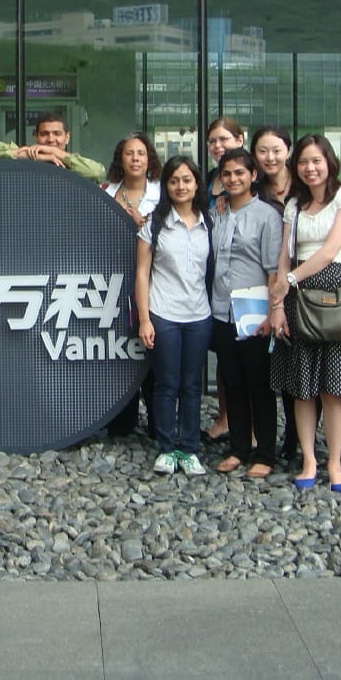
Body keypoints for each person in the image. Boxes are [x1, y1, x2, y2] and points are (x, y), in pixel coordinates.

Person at [269, 134, 341, 492]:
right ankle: (309, 460)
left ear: (329, 162)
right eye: (304, 162)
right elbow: (284, 256)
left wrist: (290, 280)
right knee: (303, 387)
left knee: (332, 389)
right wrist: (278, 304)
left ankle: (335, 463)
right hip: (297, 298)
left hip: (335, 295)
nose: (310, 168)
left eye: (317, 161)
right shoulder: (294, 205)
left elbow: (330, 251)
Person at [135, 155, 213, 477]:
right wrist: (144, 319)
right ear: (166, 185)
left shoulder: (210, 221)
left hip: (198, 314)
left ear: (196, 184)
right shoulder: (154, 223)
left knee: (192, 386)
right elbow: (141, 273)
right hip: (163, 312)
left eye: (187, 180)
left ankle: (190, 448)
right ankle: (167, 448)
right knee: (166, 385)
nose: (181, 186)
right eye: (174, 180)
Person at [209, 148, 282, 478]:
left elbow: (272, 270)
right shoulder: (218, 212)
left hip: (254, 312)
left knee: (259, 384)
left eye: (240, 172)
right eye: (227, 174)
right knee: (233, 380)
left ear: (254, 175)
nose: (233, 179)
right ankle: (238, 448)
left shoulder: (267, 216)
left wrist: (272, 311)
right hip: (221, 309)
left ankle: (265, 452)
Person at [251, 124, 308, 461]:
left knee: (305, 359)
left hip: (307, 282)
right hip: (270, 282)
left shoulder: (306, 185)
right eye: (263, 151)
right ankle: (285, 438)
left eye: (276, 150)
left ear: (288, 150)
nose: (270, 157)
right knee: (281, 360)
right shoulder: (252, 192)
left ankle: (305, 439)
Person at [102, 132, 162, 438]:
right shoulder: (106, 191)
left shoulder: (163, 193)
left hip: (153, 282)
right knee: (118, 349)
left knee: (150, 349)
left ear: (149, 158)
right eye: (129, 153)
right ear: (120, 159)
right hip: (113, 279)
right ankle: (121, 420)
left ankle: (156, 420)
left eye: (141, 153)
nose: (135, 158)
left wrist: (145, 224)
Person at [202, 117, 245, 443]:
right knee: (222, 351)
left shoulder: (249, 180)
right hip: (209, 277)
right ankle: (225, 417)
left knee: (249, 353)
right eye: (213, 141)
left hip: (246, 278)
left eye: (225, 139)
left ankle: (251, 424)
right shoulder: (206, 181)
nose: (218, 146)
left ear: (240, 140)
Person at [0, 112, 106, 183]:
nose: (50, 139)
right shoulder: (24, 159)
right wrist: (29, 156)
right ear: (36, 137)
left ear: (67, 137)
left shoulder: (74, 166)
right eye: (44, 134)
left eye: (57, 134)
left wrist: (54, 152)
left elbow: (97, 173)